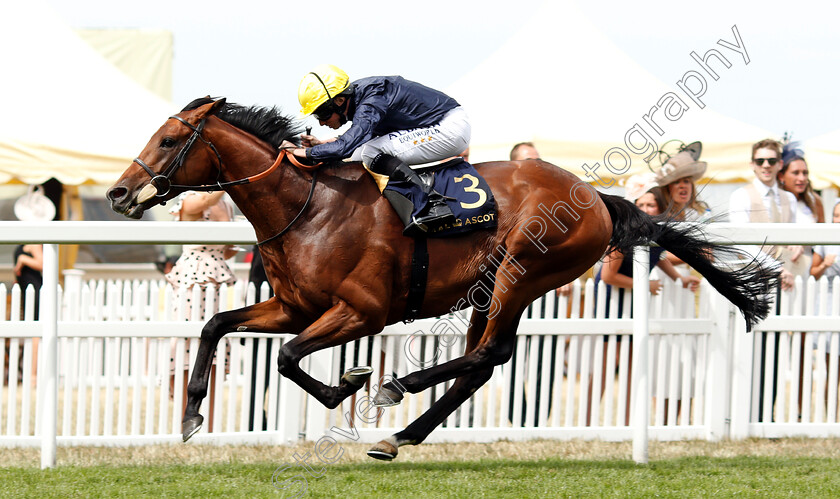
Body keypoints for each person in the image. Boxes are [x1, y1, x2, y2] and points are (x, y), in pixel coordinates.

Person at [292, 65, 470, 235]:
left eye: (321, 114)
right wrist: (321, 144)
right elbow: (358, 137)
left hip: (450, 127)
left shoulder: (372, 97)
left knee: (370, 152)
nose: (321, 122)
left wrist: (306, 153)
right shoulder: (359, 98)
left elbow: (346, 146)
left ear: (339, 100)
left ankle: (432, 203)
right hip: (436, 125)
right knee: (360, 154)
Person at [588, 174, 700, 425]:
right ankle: (588, 420)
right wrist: (645, 284)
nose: (646, 210)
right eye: (641, 204)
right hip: (612, 298)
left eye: (651, 205)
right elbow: (608, 276)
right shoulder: (623, 233)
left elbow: (658, 257)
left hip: (633, 300)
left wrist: (678, 279)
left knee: (632, 362)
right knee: (609, 361)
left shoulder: (657, 232)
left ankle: (629, 422)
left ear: (660, 208)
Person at [729, 138, 798, 422]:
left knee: (774, 347)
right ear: (752, 164)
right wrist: (775, 268)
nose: (766, 166)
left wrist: (796, 253)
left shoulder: (789, 199)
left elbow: (794, 240)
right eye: (761, 161)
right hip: (752, 281)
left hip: (783, 284)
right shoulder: (740, 196)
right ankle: (743, 413)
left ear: (780, 164)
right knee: (749, 347)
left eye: (772, 160)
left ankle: (764, 415)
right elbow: (742, 245)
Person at [166, 190, 238, 427]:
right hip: (192, 279)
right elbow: (206, 200)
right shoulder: (190, 198)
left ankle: (210, 423)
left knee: (213, 350)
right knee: (188, 347)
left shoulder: (227, 204)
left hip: (216, 281)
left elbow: (226, 249)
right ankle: (182, 419)